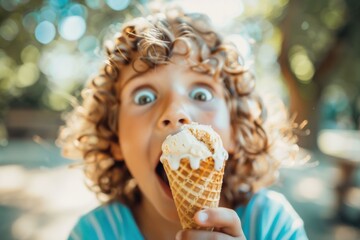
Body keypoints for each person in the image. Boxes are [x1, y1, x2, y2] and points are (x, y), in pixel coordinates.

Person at [57, 4, 308, 240]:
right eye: (145, 97)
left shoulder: (271, 224)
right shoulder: (95, 233)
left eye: (201, 94)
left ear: (234, 130)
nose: (176, 112)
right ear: (114, 139)